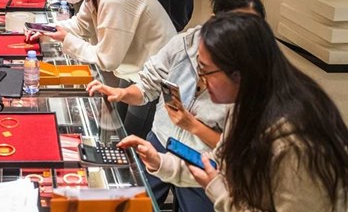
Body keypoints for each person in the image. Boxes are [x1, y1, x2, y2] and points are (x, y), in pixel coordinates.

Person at [120, 13, 348, 212]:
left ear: (239, 72)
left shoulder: (297, 142)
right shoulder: (245, 103)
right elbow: (220, 162)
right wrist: (160, 161)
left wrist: (219, 193)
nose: (200, 81)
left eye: (205, 71)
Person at [87, 0, 266, 212]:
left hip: (202, 160)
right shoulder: (185, 44)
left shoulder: (249, 77)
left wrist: (192, 125)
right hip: (161, 143)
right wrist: (122, 93)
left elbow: (235, 148)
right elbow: (148, 83)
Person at [26, 0, 175, 83]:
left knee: (129, 104)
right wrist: (46, 29)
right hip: (137, 66)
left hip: (158, 73)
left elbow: (107, 59)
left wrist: (66, 39)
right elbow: (81, 25)